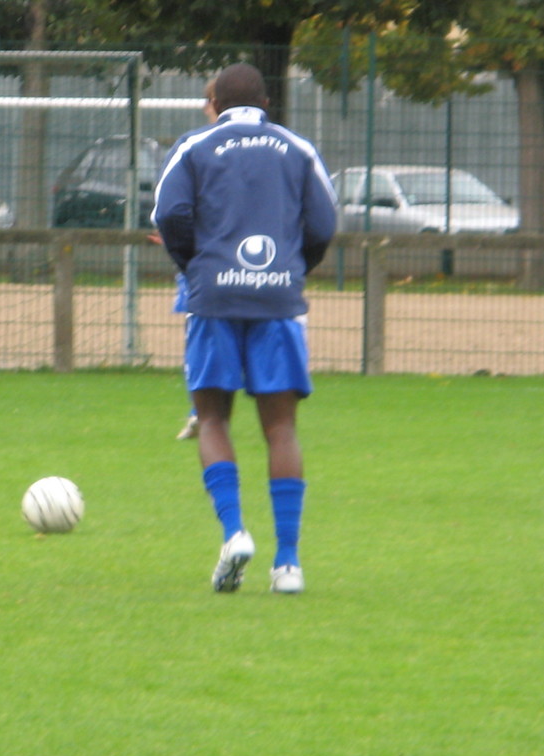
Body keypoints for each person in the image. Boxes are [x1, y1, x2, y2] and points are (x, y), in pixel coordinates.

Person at [152, 63, 337, 594]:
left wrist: (197, 267)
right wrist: (290, 270)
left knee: (211, 419)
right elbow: (323, 223)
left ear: (217, 102)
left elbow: (170, 215)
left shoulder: (194, 147)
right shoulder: (297, 148)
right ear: (267, 101)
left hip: (213, 298)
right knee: (281, 429)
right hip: (279, 299)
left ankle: (234, 534)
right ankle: (288, 564)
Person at [173, 78, 218, 440]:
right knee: (197, 339)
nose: (205, 107)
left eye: (209, 100)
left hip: (207, 266)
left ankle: (206, 415)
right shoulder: (193, 149)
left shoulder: (192, 148)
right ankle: (199, 413)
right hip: (202, 264)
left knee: (203, 338)